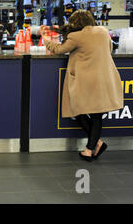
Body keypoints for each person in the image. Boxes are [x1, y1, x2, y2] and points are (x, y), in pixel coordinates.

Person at [40, 10, 124, 162]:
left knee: (76, 111)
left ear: (75, 23)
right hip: (104, 78)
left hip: (85, 81)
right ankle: (95, 144)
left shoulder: (76, 36)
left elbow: (59, 50)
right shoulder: (103, 32)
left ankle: (89, 149)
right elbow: (109, 49)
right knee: (97, 115)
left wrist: (45, 38)